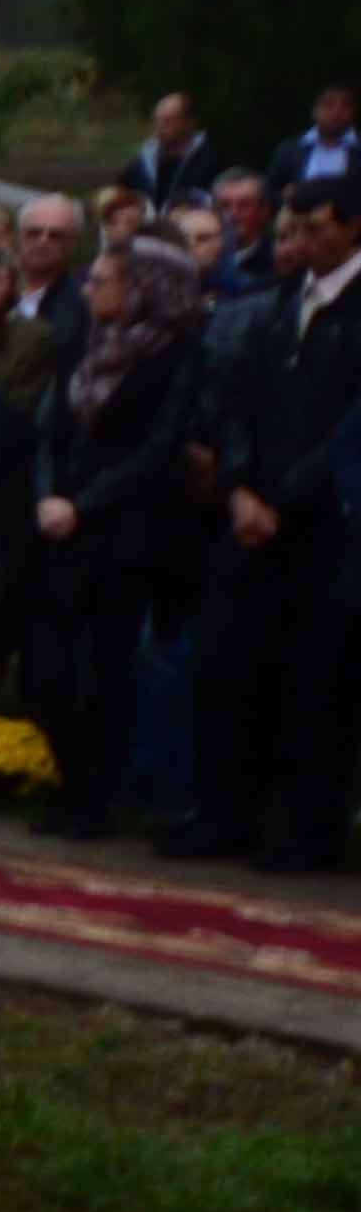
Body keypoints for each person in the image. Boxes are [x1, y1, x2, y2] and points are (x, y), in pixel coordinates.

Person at [174, 172, 361, 871]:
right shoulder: (279, 304)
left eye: (316, 228)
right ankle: (226, 815)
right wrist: (239, 488)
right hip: (250, 517)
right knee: (229, 667)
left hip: (323, 527)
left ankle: (308, 831)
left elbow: (349, 428)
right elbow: (237, 404)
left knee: (314, 683)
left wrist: (283, 495)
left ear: (354, 228)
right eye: (294, 228)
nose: (300, 242)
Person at [27, 235, 211, 843]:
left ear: (142, 290)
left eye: (102, 281)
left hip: (126, 529)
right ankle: (64, 783)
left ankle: (95, 797)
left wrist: (82, 504)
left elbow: (158, 447)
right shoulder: (83, 343)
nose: (88, 290)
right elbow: (50, 430)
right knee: (51, 667)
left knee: (105, 669)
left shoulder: (176, 354)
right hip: (60, 525)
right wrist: (49, 495)